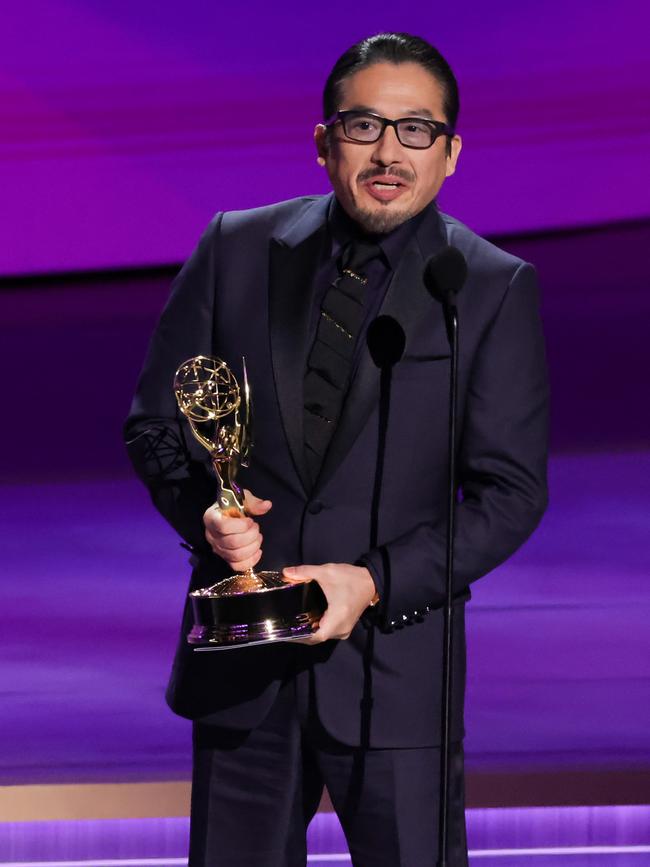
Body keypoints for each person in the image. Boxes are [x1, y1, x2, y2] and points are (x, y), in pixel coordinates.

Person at [125, 32, 549, 867]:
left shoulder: (487, 288)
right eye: (364, 126)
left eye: (416, 129)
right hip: (245, 668)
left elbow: (509, 493)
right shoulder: (234, 248)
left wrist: (374, 579)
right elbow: (157, 427)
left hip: (396, 680)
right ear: (324, 141)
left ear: (452, 153)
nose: (390, 152)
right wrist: (209, 513)